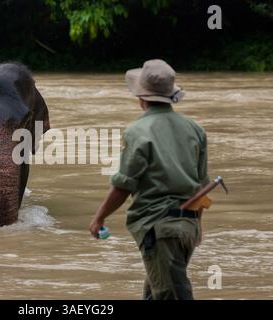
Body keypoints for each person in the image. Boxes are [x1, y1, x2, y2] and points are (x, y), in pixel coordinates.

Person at [89, 59, 210, 300]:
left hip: (158, 228)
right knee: (156, 292)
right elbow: (203, 186)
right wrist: (197, 228)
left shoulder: (138, 131)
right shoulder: (195, 129)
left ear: (141, 97)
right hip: (187, 226)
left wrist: (99, 218)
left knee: (169, 294)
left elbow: (124, 185)